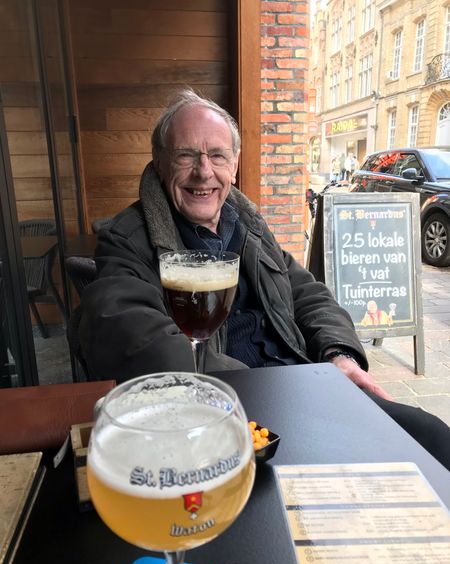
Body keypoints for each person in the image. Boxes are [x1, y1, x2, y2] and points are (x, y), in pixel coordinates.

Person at [77, 89, 450, 471]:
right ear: (159, 164)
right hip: (233, 406)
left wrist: (338, 354)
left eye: (217, 155)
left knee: (432, 436)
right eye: (186, 155)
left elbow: (307, 292)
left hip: (303, 383)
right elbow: (123, 324)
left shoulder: (247, 223)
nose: (204, 171)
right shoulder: (128, 238)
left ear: (234, 164)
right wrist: (234, 392)